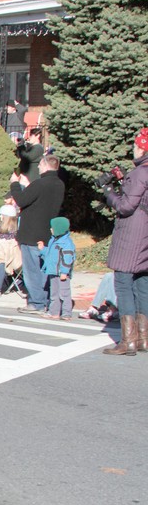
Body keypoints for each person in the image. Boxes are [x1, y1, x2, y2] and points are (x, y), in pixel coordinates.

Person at [101, 127, 148, 355]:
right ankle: (143, 338)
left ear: (143, 148)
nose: (134, 149)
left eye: (136, 145)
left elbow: (126, 206)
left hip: (132, 235)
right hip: (146, 236)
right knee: (142, 285)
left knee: (124, 283)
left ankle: (128, 341)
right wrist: (123, 183)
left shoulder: (140, 173)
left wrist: (109, 192)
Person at [11, 155, 66, 314]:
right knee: (44, 268)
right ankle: (46, 299)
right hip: (47, 231)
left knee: (32, 270)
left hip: (31, 233)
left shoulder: (40, 183)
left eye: (40, 165)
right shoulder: (59, 184)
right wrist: (28, 185)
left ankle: (37, 302)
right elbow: (39, 199)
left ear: (46, 166)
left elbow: (21, 200)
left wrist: (14, 184)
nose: (38, 168)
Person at [38, 216, 76, 320]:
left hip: (62, 273)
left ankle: (66, 313)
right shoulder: (53, 241)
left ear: (59, 229)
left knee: (64, 293)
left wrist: (64, 272)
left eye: (52, 227)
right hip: (53, 272)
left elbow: (68, 259)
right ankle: (54, 312)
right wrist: (42, 249)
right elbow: (50, 255)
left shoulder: (66, 243)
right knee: (54, 294)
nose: (50, 229)